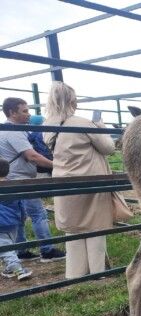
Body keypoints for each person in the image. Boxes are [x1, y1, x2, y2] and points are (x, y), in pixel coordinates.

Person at [43, 81, 116, 279]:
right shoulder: (83, 123)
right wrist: (100, 126)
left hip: (63, 183)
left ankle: (75, 274)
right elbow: (108, 148)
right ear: (71, 100)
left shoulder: (47, 126)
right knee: (95, 229)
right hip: (89, 181)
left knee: (73, 231)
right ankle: (97, 274)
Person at [0, 97, 65, 262]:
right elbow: (32, 156)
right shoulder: (13, 132)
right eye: (24, 111)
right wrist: (58, 166)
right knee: (39, 214)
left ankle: (21, 250)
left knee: (20, 216)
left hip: (10, 177)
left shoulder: (4, 130)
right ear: (12, 112)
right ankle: (47, 250)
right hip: (21, 179)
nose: (28, 114)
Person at [0, 159, 32, 280]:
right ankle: (9, 269)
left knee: (5, 248)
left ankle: (18, 269)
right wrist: (23, 217)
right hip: (13, 222)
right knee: (9, 246)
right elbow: (21, 204)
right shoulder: (12, 186)